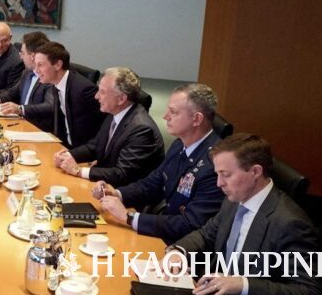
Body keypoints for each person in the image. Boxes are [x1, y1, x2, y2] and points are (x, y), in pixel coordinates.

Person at [169, 134, 322, 295]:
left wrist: (242, 285)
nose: (219, 183)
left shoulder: (290, 223)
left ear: (255, 172)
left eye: (226, 175)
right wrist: (178, 252)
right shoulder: (235, 199)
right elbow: (206, 233)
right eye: (217, 174)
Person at [91, 83, 224, 245]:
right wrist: (117, 193)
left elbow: (190, 224)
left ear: (196, 119)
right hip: (163, 233)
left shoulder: (216, 166)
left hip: (181, 248)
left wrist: (129, 217)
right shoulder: (179, 145)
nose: (165, 116)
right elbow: (153, 183)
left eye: (173, 112)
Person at [54, 67, 164, 186]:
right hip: (104, 184)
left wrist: (79, 171)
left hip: (123, 192)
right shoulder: (115, 112)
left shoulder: (141, 129)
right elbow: (95, 146)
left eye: (102, 92)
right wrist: (68, 156)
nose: (96, 96)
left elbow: (122, 174)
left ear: (121, 99)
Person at [22, 42, 103, 148]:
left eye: (40, 65)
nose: (36, 70)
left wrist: (77, 153)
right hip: (64, 147)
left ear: (58, 65)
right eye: (35, 65)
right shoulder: (56, 84)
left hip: (82, 151)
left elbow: (99, 130)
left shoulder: (83, 90)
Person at [0, 32, 51, 123]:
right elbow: (13, 92)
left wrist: (20, 109)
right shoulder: (27, 72)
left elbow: (49, 106)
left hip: (37, 127)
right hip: (19, 122)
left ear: (33, 56)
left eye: (23, 53)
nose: (21, 57)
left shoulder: (49, 77)